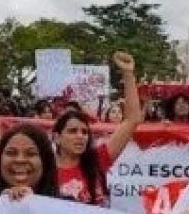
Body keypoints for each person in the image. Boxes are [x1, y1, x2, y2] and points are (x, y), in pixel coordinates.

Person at [54, 53, 141, 206]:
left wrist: (128, 74)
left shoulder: (97, 161)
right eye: (72, 131)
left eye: (85, 132)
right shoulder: (43, 171)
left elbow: (132, 120)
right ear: (56, 137)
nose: (81, 136)